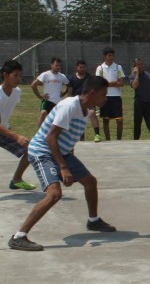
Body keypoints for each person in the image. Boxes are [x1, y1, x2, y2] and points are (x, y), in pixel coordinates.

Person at [8, 76, 117, 251]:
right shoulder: (69, 106)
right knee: (54, 194)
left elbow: (69, 139)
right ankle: (18, 236)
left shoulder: (86, 110)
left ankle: (93, 221)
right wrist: (63, 167)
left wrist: (69, 165)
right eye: (104, 94)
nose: (105, 98)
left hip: (62, 152)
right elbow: (51, 137)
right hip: (43, 151)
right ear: (92, 93)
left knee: (90, 181)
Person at [1, 60, 37, 191]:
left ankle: (16, 180)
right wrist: (16, 136)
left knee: (30, 149)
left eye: (20, 75)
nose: (19, 79)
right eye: (15, 75)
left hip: (3, 129)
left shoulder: (17, 92)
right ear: (5, 75)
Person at [67, 60, 102, 142]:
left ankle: (97, 134)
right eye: (80, 67)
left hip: (89, 101)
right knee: (79, 118)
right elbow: (70, 93)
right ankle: (81, 139)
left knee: (92, 113)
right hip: (77, 102)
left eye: (84, 67)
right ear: (77, 68)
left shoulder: (90, 77)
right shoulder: (72, 78)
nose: (82, 69)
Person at [96, 47, 126, 140]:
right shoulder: (100, 68)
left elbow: (121, 83)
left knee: (119, 120)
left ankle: (119, 140)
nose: (111, 57)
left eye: (113, 55)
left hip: (116, 96)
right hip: (105, 97)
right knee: (106, 120)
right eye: (109, 55)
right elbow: (99, 84)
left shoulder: (118, 67)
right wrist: (113, 83)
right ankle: (108, 140)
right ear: (105, 56)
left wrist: (107, 83)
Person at [31, 57, 69, 128]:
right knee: (43, 113)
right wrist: (40, 97)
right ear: (51, 65)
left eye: (59, 65)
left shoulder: (62, 76)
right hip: (47, 100)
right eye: (56, 65)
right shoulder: (45, 74)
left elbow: (69, 85)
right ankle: (39, 133)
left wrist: (64, 93)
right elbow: (33, 85)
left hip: (58, 102)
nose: (58, 67)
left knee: (58, 120)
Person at [129, 58, 150, 140]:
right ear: (135, 66)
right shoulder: (132, 76)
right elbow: (135, 86)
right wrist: (137, 74)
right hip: (138, 103)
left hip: (147, 103)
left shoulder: (148, 76)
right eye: (138, 65)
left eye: (141, 64)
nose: (141, 66)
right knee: (137, 125)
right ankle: (136, 141)